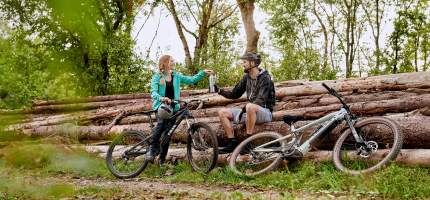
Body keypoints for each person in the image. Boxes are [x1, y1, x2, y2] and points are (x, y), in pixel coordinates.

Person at [146, 54, 213, 164]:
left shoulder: (176, 75)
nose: (174, 62)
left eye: (173, 60)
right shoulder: (157, 76)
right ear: (165, 63)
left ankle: (161, 161)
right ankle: (152, 151)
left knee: (168, 134)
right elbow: (153, 92)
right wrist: (162, 98)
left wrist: (203, 73)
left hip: (174, 107)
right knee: (161, 125)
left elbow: (191, 80)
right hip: (161, 107)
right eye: (171, 61)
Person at [215, 52, 276, 153]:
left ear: (252, 63)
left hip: (265, 113)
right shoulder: (246, 78)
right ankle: (232, 143)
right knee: (222, 112)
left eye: (244, 62)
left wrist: (246, 108)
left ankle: (248, 143)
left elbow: (261, 100)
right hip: (250, 112)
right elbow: (235, 94)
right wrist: (219, 91)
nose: (242, 64)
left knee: (250, 107)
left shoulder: (265, 78)